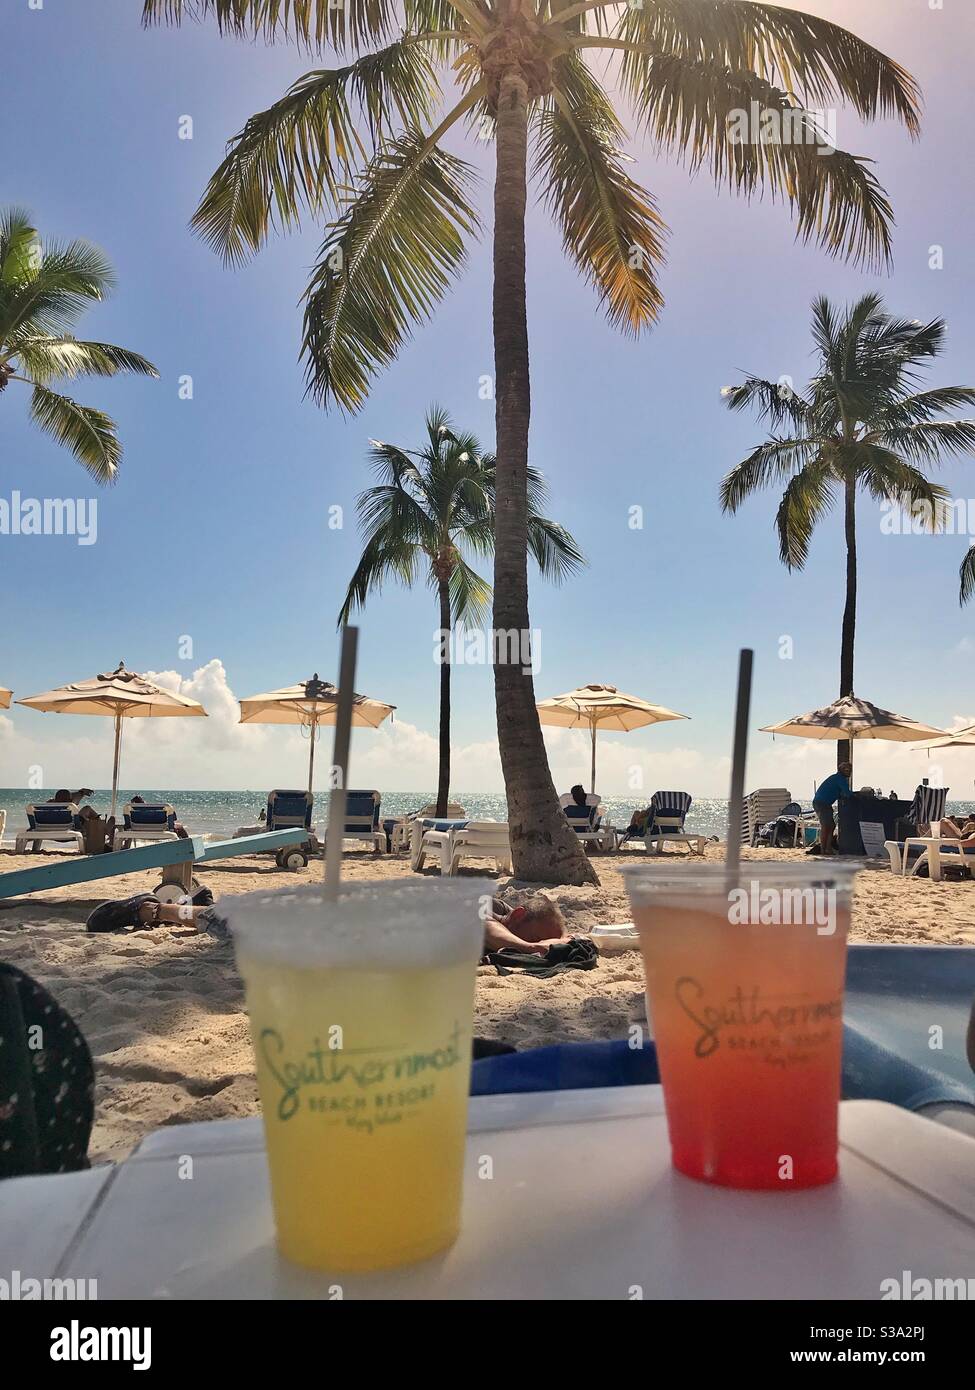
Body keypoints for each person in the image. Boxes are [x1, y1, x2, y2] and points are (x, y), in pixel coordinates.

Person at [483, 895, 567, 957]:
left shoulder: (511, 917)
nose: (543, 944)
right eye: (535, 939)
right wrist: (532, 947)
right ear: (517, 916)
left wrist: (563, 940)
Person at [808, 762, 852, 856]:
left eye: (849, 769)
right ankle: (823, 850)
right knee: (826, 826)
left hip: (824, 804)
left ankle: (828, 848)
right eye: (846, 769)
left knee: (831, 826)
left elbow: (841, 793)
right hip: (822, 803)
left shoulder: (836, 778)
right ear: (841, 770)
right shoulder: (840, 778)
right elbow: (848, 793)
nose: (849, 771)